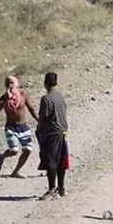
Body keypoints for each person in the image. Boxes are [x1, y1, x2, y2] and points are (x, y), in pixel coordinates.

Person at [0, 75, 39, 178]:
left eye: (12, 82)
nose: (10, 85)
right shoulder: (4, 97)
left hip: (23, 127)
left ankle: (16, 171)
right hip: (11, 127)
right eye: (8, 83)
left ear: (16, 84)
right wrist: (6, 99)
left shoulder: (23, 94)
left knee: (27, 150)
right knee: (14, 150)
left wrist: (38, 120)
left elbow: (31, 108)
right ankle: (1, 157)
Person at [37, 71, 69, 199]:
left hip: (52, 133)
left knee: (51, 161)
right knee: (62, 161)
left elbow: (42, 117)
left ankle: (52, 189)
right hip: (63, 132)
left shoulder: (46, 99)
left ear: (45, 84)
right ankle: (61, 187)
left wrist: (39, 129)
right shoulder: (60, 96)